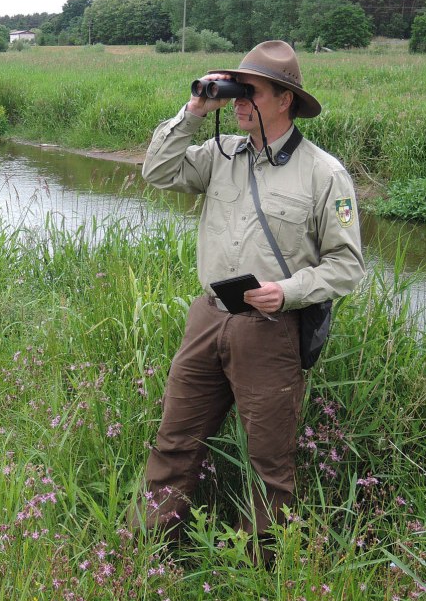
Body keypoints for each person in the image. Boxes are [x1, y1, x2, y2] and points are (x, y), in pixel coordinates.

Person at [133, 40, 365, 559]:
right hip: (208, 318)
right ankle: (148, 555)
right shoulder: (221, 155)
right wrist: (196, 110)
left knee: (268, 465)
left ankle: (257, 572)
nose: (238, 102)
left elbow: (347, 265)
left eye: (250, 92)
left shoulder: (323, 173)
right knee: (174, 442)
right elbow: (158, 171)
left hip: (271, 330)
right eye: (234, 90)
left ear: (285, 100)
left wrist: (288, 292)